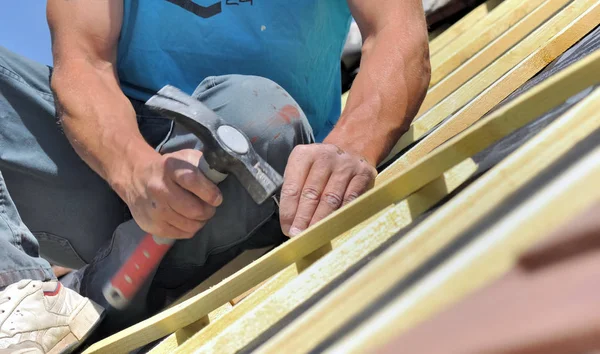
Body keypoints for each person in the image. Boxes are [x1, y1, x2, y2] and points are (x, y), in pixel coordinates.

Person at [0, 0, 430, 352]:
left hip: (254, 171)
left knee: (255, 115)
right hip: (113, 170)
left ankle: (94, 292)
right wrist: (134, 171)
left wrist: (351, 146)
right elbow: (83, 64)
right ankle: (32, 297)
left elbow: (395, 29)